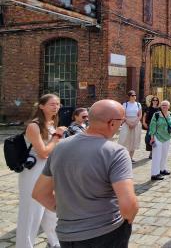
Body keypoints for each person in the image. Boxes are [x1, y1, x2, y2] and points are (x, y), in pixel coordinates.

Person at [32, 99, 138, 248]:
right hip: (105, 232)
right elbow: (128, 206)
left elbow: (39, 193)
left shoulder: (60, 147)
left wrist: (69, 211)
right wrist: (127, 222)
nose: (121, 125)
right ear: (112, 123)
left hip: (66, 234)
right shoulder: (116, 152)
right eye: (121, 122)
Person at [16, 94, 63, 248]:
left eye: (58, 104)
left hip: (50, 170)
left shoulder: (52, 123)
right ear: (41, 106)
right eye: (52, 104)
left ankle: (54, 242)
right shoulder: (33, 126)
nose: (56, 107)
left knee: (51, 209)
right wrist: (56, 137)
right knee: (32, 212)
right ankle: (25, 245)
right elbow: (43, 152)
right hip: (34, 171)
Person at [149, 100, 171, 181]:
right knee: (157, 156)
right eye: (163, 105)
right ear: (160, 106)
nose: (164, 106)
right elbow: (152, 126)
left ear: (169, 106)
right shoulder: (156, 115)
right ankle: (154, 174)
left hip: (167, 137)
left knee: (164, 154)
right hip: (157, 137)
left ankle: (162, 169)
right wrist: (152, 137)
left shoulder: (170, 114)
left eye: (166, 105)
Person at [117, 90, 143, 163]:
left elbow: (140, 115)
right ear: (129, 96)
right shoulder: (125, 104)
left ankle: (131, 158)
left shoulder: (138, 104)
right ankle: (124, 157)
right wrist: (129, 123)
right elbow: (123, 115)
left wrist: (135, 123)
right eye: (132, 95)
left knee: (134, 140)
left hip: (136, 123)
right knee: (125, 139)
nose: (134, 97)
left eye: (135, 95)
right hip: (127, 122)